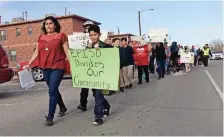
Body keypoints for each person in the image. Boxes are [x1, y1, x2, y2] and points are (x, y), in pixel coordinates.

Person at [23, 16, 69, 126]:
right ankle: (62, 107)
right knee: (53, 90)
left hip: (58, 66)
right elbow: (37, 52)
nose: (49, 25)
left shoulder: (61, 36)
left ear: (55, 25)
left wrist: (73, 65)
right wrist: (29, 64)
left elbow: (67, 52)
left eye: (51, 23)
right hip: (45, 67)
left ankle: (50, 117)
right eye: (46, 23)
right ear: (44, 26)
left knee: (52, 90)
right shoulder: (41, 37)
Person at [87, 25, 112, 125]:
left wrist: (108, 48)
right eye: (91, 35)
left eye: (95, 34)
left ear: (99, 34)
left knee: (98, 94)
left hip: (103, 75)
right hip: (93, 75)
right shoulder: (88, 47)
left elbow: (113, 58)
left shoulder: (105, 46)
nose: (93, 37)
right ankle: (106, 105)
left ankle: (98, 116)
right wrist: (87, 50)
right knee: (96, 94)